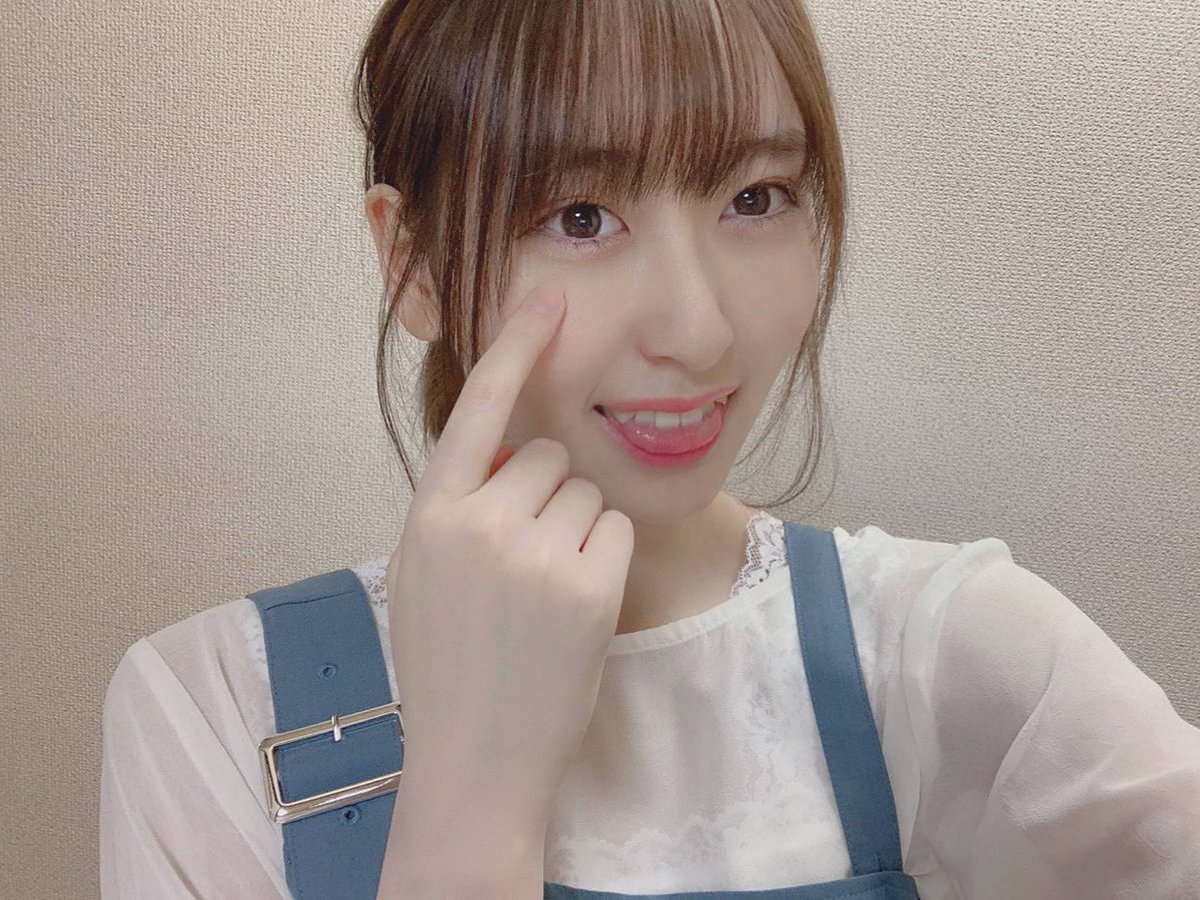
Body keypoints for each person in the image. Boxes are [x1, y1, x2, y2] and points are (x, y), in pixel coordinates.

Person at [99, 1, 1200, 897]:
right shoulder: (216, 711)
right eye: (580, 215)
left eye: (755, 198)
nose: (699, 329)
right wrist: (472, 809)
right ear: (415, 264)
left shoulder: (947, 654)